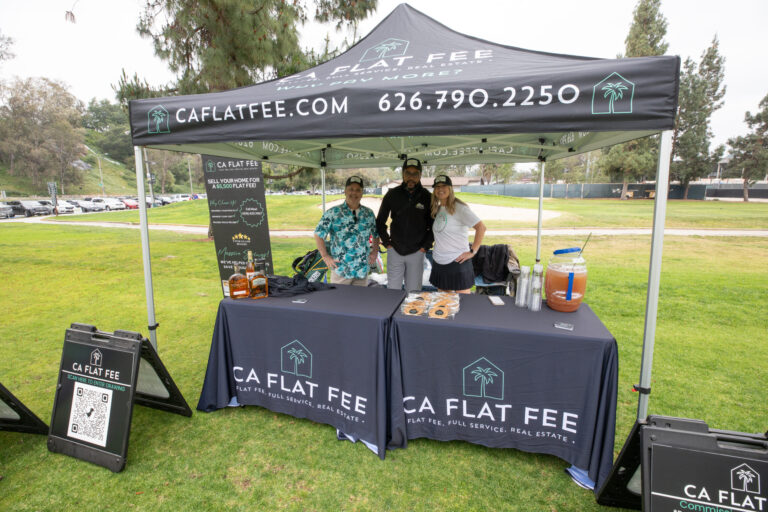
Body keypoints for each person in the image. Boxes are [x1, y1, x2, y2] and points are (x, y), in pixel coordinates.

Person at [376, 158, 434, 292]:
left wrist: (425, 247)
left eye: (415, 174)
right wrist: (387, 243)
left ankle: (409, 314)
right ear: (403, 174)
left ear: (420, 175)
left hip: (417, 252)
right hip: (395, 250)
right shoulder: (392, 194)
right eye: (408, 173)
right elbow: (380, 222)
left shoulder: (427, 197)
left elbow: (433, 226)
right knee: (393, 290)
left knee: (413, 292)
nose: (411, 177)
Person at [313, 176, 379, 286]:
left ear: (362, 193)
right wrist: (325, 256)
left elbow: (376, 234)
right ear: (345, 191)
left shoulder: (369, 213)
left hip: (361, 270)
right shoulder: (333, 213)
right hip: (341, 270)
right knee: (339, 302)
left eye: (358, 190)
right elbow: (318, 234)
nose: (354, 193)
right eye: (351, 189)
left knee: (360, 302)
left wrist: (375, 251)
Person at [429, 174, 487, 294]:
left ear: (450, 188)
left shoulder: (460, 208)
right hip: (439, 261)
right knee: (443, 305)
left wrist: (472, 251)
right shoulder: (438, 209)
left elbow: (481, 227)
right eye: (437, 186)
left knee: (463, 304)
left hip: (457, 262)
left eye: (444, 186)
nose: (440, 189)